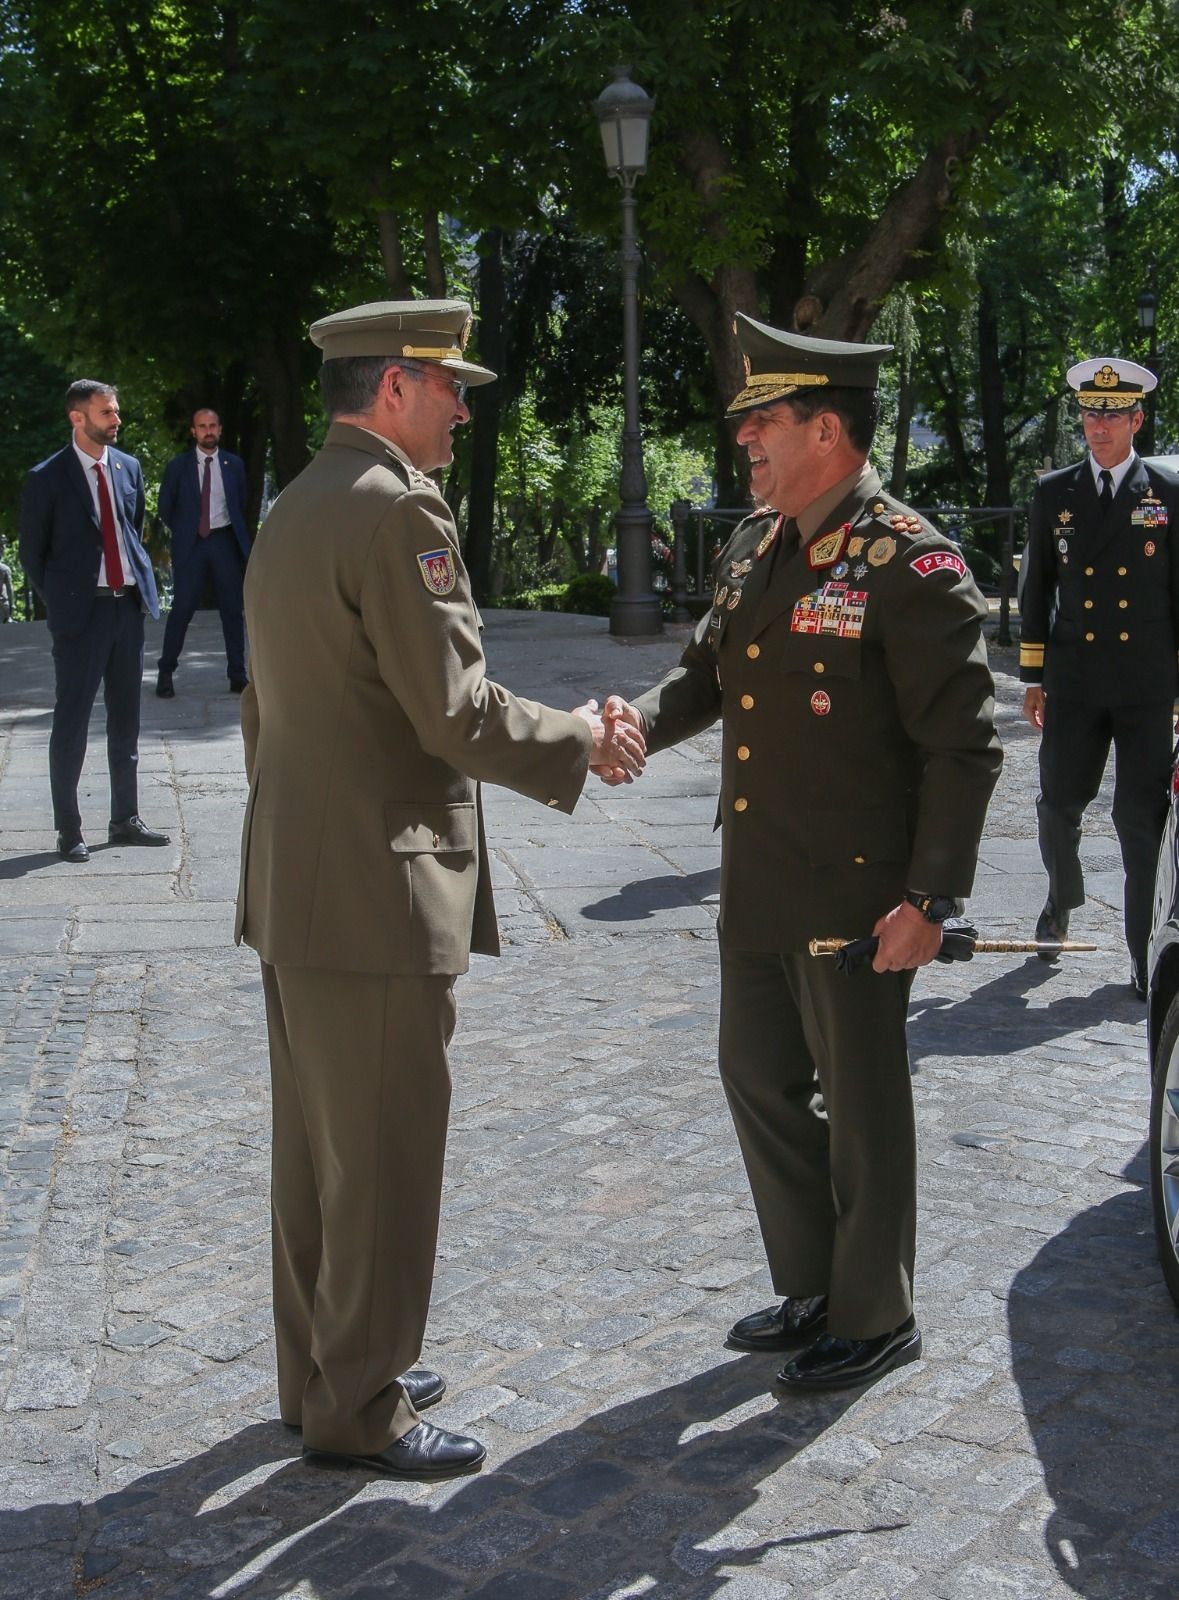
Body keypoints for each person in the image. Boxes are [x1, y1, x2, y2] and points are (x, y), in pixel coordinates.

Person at [235, 299, 644, 1480]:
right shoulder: (398, 508)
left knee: (317, 1157)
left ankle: (321, 1370)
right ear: (394, 388)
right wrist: (581, 736)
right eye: (451, 386)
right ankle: (360, 1407)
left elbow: (272, 707)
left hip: (297, 877)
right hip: (377, 885)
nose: (464, 409)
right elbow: (455, 711)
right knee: (382, 1155)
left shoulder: (296, 503)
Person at [603, 316, 1001, 1391]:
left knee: (861, 1103)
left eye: (766, 420)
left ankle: (876, 1313)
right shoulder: (754, 543)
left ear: (827, 431)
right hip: (761, 873)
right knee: (758, 1078)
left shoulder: (910, 561)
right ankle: (814, 1282)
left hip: (858, 892)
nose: (746, 439)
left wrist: (930, 899)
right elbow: (703, 675)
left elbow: (963, 749)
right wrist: (633, 722)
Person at [1020, 357, 1179, 999]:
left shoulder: (1165, 493)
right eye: (1090, 415)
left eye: (1112, 416)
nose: (1099, 427)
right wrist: (1033, 676)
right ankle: (1061, 898)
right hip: (1076, 680)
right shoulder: (1055, 492)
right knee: (1057, 803)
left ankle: (1142, 954)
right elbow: (1037, 589)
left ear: (1136, 420)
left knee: (1140, 821)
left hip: (1145, 685)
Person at [18, 380, 171, 862]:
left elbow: (131, 530)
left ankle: (125, 818)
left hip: (127, 609)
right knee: (73, 721)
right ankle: (69, 830)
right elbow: (31, 555)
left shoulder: (128, 467)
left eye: (116, 411)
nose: (116, 420)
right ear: (77, 417)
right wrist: (64, 603)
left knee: (127, 720)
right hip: (81, 617)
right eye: (107, 412)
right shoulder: (47, 478)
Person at [156, 408, 251, 696]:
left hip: (224, 542)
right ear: (193, 431)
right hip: (192, 544)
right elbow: (166, 507)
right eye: (202, 426)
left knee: (232, 611)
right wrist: (186, 530)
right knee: (182, 609)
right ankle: (166, 672)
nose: (208, 431)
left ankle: (237, 675)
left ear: (220, 429)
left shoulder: (234, 464)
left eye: (212, 426)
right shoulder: (178, 467)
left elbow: (241, 501)